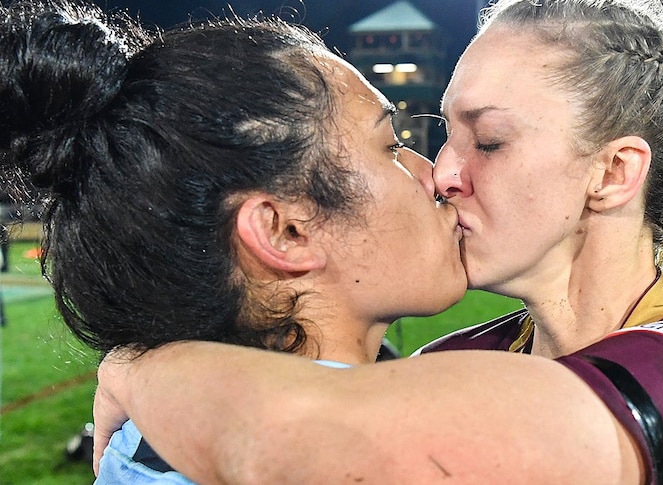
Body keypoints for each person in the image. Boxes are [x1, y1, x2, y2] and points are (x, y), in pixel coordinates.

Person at [90, 0, 663, 483]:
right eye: (443, 132)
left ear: (612, 172)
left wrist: (144, 371)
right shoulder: (450, 365)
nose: (443, 172)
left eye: (489, 140)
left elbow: (320, 435)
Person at [0, 1, 467, 482]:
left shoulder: (148, 444)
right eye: (390, 147)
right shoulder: (434, 452)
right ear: (283, 231)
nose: (434, 174)